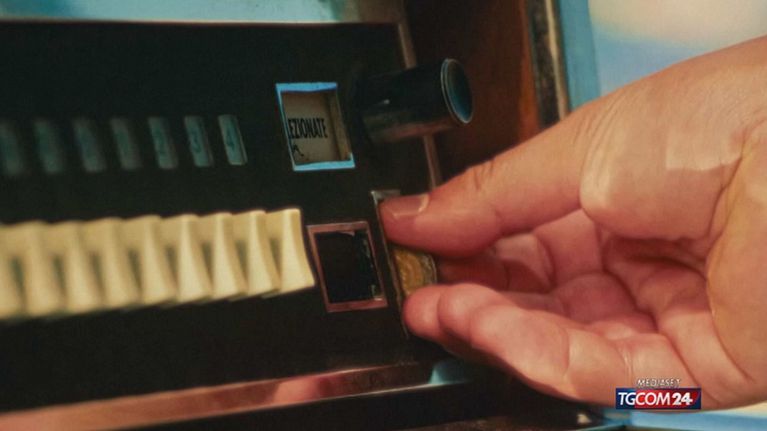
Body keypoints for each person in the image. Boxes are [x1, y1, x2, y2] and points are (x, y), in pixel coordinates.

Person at [380, 36, 767, 409]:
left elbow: (675, 398)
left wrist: (660, 400)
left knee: (636, 390)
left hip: (708, 378)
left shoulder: (707, 382)